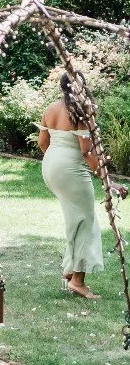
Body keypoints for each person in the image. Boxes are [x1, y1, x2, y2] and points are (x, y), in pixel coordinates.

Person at [40, 72, 119, 299]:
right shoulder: (80, 112)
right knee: (86, 222)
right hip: (70, 170)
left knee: (75, 219)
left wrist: (57, 161)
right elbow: (86, 151)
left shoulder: (51, 108)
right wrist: (107, 180)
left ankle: (69, 270)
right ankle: (77, 281)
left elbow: (42, 142)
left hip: (50, 166)